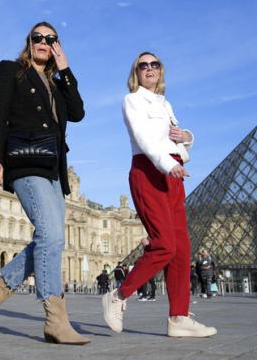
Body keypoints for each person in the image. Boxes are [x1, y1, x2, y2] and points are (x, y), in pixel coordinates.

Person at [0, 21, 88, 345]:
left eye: (50, 39)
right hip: (25, 161)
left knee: (50, 238)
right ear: (29, 42)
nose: (43, 42)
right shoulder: (10, 70)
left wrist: (66, 70)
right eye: (37, 37)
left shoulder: (57, 84)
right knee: (53, 235)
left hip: (53, 168)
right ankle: (55, 319)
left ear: (56, 46)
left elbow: (79, 112)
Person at [101, 52, 216, 338]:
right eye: (144, 65)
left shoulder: (164, 103)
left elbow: (176, 136)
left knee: (182, 249)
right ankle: (118, 295)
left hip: (174, 174)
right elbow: (145, 138)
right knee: (164, 244)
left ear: (160, 71)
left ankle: (178, 317)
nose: (149, 68)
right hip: (151, 170)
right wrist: (168, 164)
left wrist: (187, 137)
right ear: (136, 72)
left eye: (155, 65)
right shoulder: (132, 100)